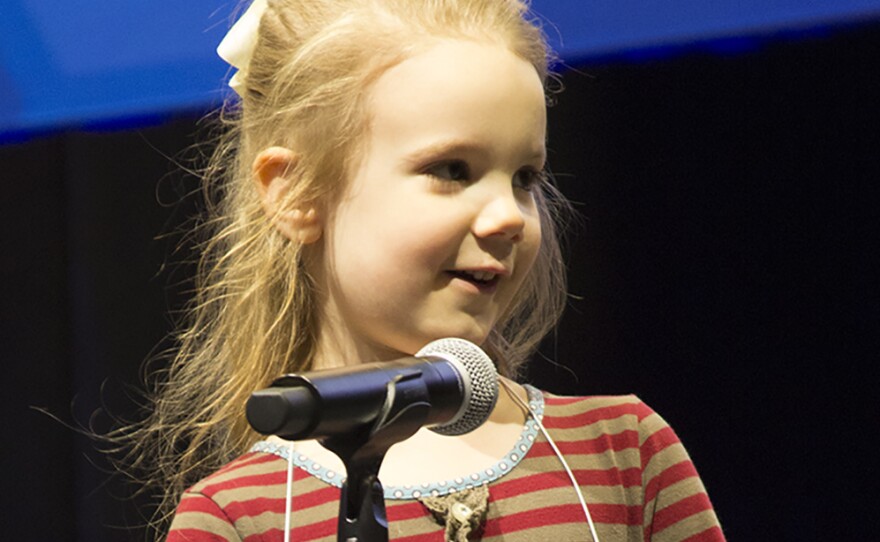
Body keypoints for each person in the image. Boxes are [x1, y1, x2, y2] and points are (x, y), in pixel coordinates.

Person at [130, 0, 725, 540]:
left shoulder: (621, 454)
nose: (507, 217)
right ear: (296, 194)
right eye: (452, 169)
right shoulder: (242, 517)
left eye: (525, 179)